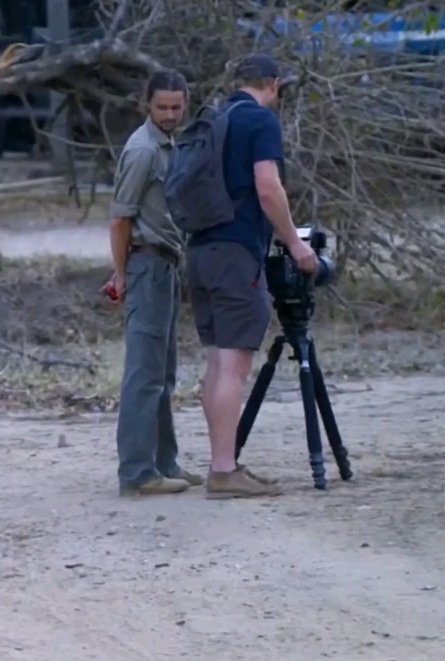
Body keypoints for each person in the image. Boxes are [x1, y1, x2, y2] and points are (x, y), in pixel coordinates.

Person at [185, 53, 317, 499]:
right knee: (236, 364)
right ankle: (223, 471)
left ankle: (225, 463)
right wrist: (295, 245)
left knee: (219, 363)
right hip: (236, 252)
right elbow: (267, 187)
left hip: (201, 248)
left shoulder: (216, 120)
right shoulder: (260, 122)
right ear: (274, 85)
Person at [104, 69, 201, 497]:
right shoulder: (143, 150)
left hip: (166, 265)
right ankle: (137, 472)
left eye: (176, 107)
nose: (169, 114)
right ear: (147, 104)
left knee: (163, 372)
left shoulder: (171, 145)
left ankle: (164, 462)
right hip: (146, 263)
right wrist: (122, 272)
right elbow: (120, 217)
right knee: (144, 373)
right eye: (161, 107)